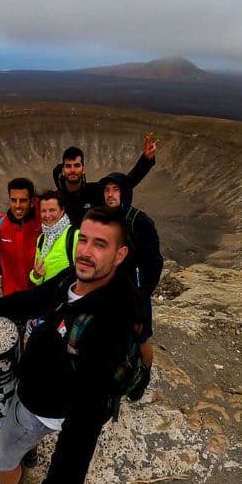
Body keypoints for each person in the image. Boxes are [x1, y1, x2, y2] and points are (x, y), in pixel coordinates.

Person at [0, 206, 140, 484]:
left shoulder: (106, 325)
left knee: (1, 457)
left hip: (40, 406)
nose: (85, 251)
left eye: (100, 244)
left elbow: (85, 422)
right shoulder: (77, 276)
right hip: (38, 388)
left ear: (120, 254)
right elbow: (39, 297)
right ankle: (25, 451)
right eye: (83, 239)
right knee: (18, 440)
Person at [99, 172, 163, 401]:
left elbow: (155, 262)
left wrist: (143, 295)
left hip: (136, 294)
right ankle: (119, 374)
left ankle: (143, 377)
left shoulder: (140, 221)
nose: (110, 194)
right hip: (111, 293)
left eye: (115, 189)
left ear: (124, 192)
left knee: (142, 337)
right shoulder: (105, 219)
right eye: (107, 190)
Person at [52, 132, 159, 227]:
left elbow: (126, 183)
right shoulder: (56, 200)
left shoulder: (94, 192)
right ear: (63, 170)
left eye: (76, 165)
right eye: (68, 166)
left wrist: (146, 160)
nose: (72, 170)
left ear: (83, 169)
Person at [29, 190, 78, 286]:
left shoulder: (75, 236)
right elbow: (38, 274)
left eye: (52, 210)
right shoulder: (42, 238)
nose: (47, 215)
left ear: (62, 210)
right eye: (43, 211)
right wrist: (36, 275)